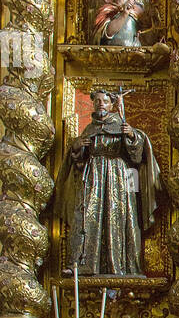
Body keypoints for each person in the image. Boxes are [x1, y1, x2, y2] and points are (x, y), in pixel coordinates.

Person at [55, 89, 161, 277]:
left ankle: (121, 265)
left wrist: (131, 136)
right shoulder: (89, 128)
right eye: (97, 101)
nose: (100, 104)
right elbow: (79, 162)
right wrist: (77, 147)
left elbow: (136, 158)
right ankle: (81, 264)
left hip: (119, 176)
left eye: (104, 101)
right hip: (93, 176)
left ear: (112, 105)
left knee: (120, 216)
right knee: (86, 216)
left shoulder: (120, 124)